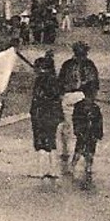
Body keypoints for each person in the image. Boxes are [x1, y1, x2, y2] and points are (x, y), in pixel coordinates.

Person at [56, 41, 100, 173]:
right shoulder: (88, 65)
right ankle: (78, 158)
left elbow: (60, 82)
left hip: (74, 97)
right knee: (80, 129)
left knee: (68, 127)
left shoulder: (68, 64)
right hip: (80, 97)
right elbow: (94, 84)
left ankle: (67, 153)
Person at [29, 56, 64, 177]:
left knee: (40, 142)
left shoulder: (40, 80)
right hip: (54, 115)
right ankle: (53, 170)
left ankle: (40, 171)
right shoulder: (55, 80)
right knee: (51, 141)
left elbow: (38, 98)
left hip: (41, 114)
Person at [68, 84, 104, 183]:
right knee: (80, 149)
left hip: (91, 132)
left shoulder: (94, 107)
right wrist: (77, 130)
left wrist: (99, 133)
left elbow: (99, 121)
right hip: (83, 131)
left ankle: (87, 166)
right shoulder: (82, 106)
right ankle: (74, 164)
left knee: (90, 150)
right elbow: (76, 119)